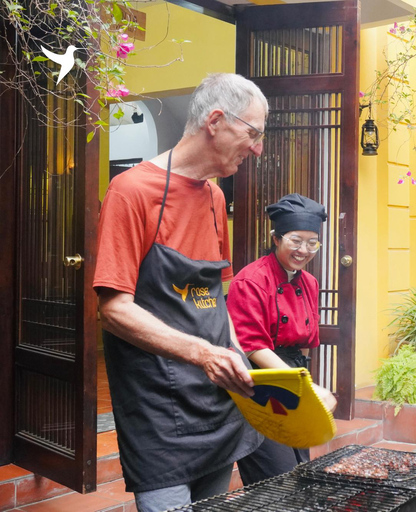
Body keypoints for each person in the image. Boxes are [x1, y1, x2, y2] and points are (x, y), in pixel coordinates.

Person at [93, 73, 268, 512]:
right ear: (215, 120)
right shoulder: (131, 192)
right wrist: (204, 354)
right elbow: (114, 309)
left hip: (215, 403)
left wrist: (235, 356)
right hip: (158, 411)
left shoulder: (213, 197)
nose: (258, 147)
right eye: (254, 132)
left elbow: (216, 296)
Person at [227, 193, 338, 484]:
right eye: (295, 241)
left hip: (292, 371)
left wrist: (305, 383)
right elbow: (251, 345)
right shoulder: (250, 280)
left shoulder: (309, 282)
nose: (304, 250)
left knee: (300, 465)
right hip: (260, 380)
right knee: (278, 475)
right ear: (276, 239)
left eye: (312, 243)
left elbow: (305, 338)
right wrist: (306, 386)